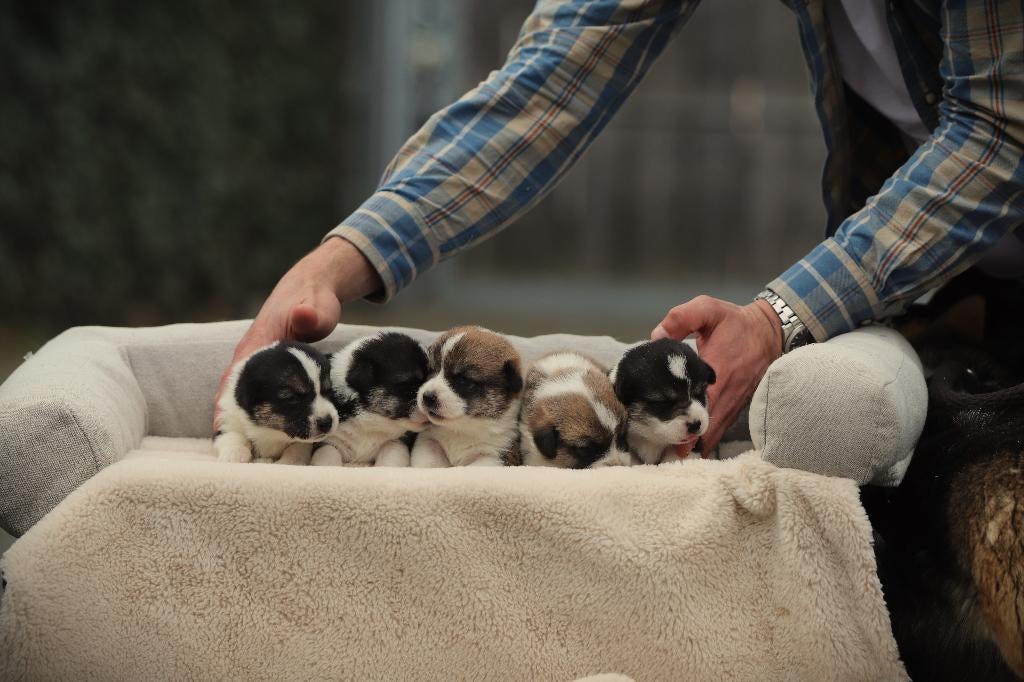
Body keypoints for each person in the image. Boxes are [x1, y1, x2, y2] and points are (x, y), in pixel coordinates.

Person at [217, 0, 1023, 457]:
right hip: (948, 286)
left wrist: (779, 319)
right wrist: (341, 257)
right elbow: (556, 73)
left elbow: (999, 132)